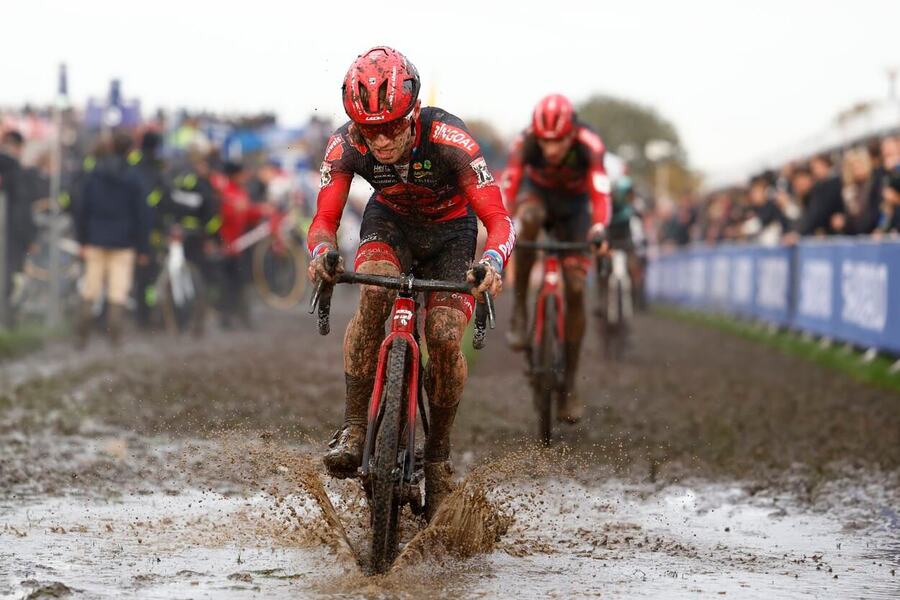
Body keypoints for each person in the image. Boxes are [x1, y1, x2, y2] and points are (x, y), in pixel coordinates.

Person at [306, 47, 513, 520]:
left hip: (451, 235)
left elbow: (499, 219)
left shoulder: (450, 139)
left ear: (414, 110)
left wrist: (494, 262)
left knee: (442, 336)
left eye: (392, 126)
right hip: (390, 224)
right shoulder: (344, 145)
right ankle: (356, 426)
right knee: (375, 292)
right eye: (368, 130)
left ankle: (437, 457)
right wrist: (321, 254)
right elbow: (323, 220)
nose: (379, 141)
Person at [500, 93, 610, 423]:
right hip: (538, 199)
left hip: (575, 212)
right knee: (528, 219)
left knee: (576, 287)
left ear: (572, 132)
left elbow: (600, 192)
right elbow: (510, 186)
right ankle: (520, 312)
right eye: (544, 142)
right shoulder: (524, 143)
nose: (550, 150)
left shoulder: (589, 144)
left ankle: (570, 387)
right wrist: (502, 223)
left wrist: (599, 228)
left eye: (558, 142)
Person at [73, 131, 150, 347]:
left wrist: (82, 240)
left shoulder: (93, 174)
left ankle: (81, 336)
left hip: (95, 240)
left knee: (90, 287)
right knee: (118, 290)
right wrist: (143, 247)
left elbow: (82, 208)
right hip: (123, 243)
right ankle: (115, 338)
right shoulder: (135, 178)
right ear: (130, 150)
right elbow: (142, 214)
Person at [212, 160, 271, 329]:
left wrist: (260, 211)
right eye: (241, 173)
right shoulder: (225, 193)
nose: (245, 176)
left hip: (239, 248)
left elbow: (247, 214)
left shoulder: (240, 192)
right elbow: (225, 216)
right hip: (226, 247)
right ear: (234, 175)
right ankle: (227, 319)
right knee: (227, 286)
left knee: (240, 284)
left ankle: (242, 318)